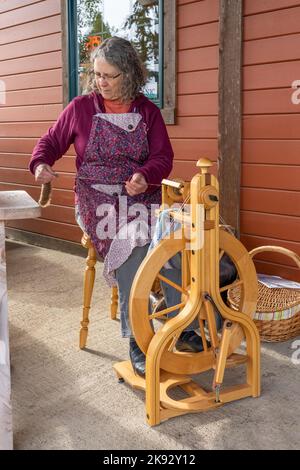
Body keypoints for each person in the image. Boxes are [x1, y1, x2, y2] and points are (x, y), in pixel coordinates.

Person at [29, 36, 204, 377]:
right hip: (97, 200)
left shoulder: (148, 112)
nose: (101, 82)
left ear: (129, 75)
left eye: (109, 75)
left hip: (140, 196)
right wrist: (40, 164)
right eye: (97, 74)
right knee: (133, 246)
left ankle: (182, 323)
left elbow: (162, 158)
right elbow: (49, 142)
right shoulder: (80, 108)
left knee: (173, 242)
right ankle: (139, 337)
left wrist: (144, 175)